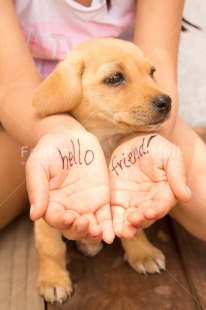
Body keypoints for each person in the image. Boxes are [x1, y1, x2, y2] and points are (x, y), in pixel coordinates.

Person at [0, 0, 205, 245]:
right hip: (32, 117)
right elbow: (13, 85)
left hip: (132, 122)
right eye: (115, 78)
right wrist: (64, 136)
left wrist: (143, 141)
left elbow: (158, 60)